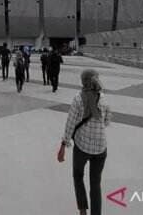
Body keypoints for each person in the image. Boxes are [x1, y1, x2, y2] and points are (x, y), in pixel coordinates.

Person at [57, 69, 111, 215]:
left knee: (78, 176)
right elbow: (107, 121)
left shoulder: (78, 98)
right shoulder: (104, 98)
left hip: (82, 147)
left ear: (83, 81)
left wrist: (63, 145)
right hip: (101, 148)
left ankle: (82, 210)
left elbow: (70, 123)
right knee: (95, 183)